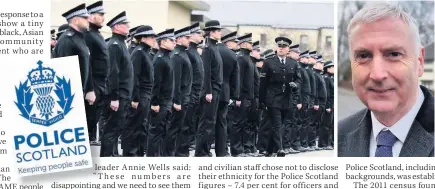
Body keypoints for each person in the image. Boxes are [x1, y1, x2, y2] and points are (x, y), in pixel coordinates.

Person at [338, 3, 434, 157]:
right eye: (363, 56)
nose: (377, 74)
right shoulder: (340, 135)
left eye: (394, 54)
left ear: (420, 61)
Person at [259, 37, 302, 157]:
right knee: (277, 124)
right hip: (272, 98)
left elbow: (299, 79)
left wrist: (295, 85)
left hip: (286, 98)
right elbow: (263, 83)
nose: (281, 48)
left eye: (284, 47)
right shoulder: (268, 62)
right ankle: (280, 149)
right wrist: (261, 100)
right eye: (279, 46)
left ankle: (269, 149)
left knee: (279, 124)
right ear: (276, 48)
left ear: (288, 49)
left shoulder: (293, 63)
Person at [100, 11, 134, 157]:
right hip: (117, 96)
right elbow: (113, 73)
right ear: (117, 27)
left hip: (123, 95)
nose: (129, 27)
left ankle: (112, 154)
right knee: (111, 130)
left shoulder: (121, 43)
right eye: (126, 25)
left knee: (116, 129)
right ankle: (106, 158)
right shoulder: (114, 45)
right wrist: (114, 97)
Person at [123, 25, 157, 156]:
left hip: (146, 95)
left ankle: (137, 153)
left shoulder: (146, 52)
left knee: (141, 126)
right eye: (151, 37)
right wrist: (135, 98)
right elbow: (134, 77)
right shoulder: (138, 52)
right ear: (143, 38)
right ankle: (130, 154)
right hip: (140, 95)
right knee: (133, 127)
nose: (154, 39)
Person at [52, 3, 94, 104]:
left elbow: (86, 64)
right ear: (75, 20)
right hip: (68, 96)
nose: (88, 20)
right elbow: (63, 72)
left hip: (79, 92)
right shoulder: (67, 40)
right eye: (85, 18)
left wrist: (89, 89)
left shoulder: (79, 38)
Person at [195, 20, 223, 157]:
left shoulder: (214, 47)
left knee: (210, 122)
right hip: (210, 91)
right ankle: (201, 152)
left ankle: (205, 150)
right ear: (211, 32)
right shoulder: (207, 49)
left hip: (216, 90)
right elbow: (206, 72)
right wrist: (208, 91)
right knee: (206, 123)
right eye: (218, 30)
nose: (220, 32)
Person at [163, 25, 193, 156]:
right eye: (187, 37)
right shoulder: (177, 55)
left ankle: (177, 153)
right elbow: (176, 81)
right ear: (179, 39)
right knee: (173, 129)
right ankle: (168, 154)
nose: (189, 40)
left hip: (185, 98)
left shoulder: (183, 54)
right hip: (178, 100)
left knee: (181, 128)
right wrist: (176, 100)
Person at [83, 1, 110, 146]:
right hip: (93, 85)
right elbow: (88, 64)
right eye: (100, 15)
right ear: (91, 17)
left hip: (100, 85)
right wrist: (90, 89)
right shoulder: (88, 35)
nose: (103, 18)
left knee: (92, 121)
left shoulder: (96, 34)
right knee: (87, 122)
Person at [147, 28, 176, 157]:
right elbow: (156, 83)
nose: (174, 43)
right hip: (160, 102)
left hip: (167, 102)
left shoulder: (167, 57)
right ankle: (152, 158)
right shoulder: (159, 59)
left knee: (163, 131)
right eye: (171, 40)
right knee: (156, 132)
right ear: (163, 42)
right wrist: (154, 102)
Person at [216, 31, 240, 157]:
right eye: (235, 42)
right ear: (228, 42)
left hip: (210, 92)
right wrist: (234, 95)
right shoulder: (232, 54)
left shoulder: (211, 50)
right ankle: (222, 151)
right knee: (222, 123)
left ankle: (204, 150)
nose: (237, 44)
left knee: (206, 123)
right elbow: (235, 77)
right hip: (225, 93)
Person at [181, 23, 204, 153]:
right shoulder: (189, 51)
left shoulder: (194, 50)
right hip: (190, 94)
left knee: (190, 123)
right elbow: (187, 77)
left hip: (196, 94)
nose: (201, 36)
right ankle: (181, 151)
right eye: (199, 33)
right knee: (185, 125)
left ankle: (185, 147)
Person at [284, 44, 307, 154]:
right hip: (287, 97)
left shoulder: (295, 64)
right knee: (287, 123)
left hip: (293, 97)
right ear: (290, 52)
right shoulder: (288, 64)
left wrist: (298, 99)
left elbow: (299, 85)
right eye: (296, 52)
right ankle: (285, 145)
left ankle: (289, 145)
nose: (298, 54)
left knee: (291, 122)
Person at [310, 55, 327, 151]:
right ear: (316, 65)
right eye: (321, 63)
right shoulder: (315, 75)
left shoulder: (319, 75)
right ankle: (311, 143)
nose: (322, 65)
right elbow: (315, 90)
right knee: (312, 124)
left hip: (322, 103)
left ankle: (312, 143)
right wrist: (316, 102)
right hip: (318, 102)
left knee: (316, 123)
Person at [319, 60, 334, 150]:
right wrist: (328, 106)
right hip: (328, 104)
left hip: (332, 103)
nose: (333, 69)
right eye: (332, 67)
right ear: (327, 68)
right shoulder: (326, 78)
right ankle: (323, 143)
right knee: (326, 125)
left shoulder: (332, 78)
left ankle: (330, 143)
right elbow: (327, 94)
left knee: (331, 124)